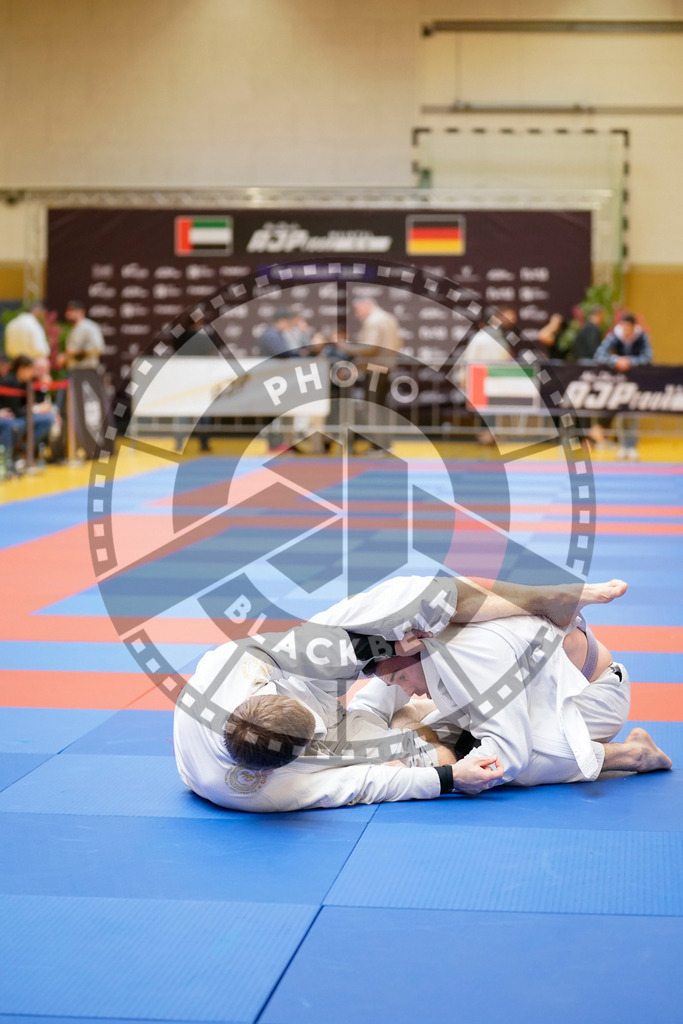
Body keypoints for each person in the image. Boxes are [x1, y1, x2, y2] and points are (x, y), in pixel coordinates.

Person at [172, 574, 668, 812]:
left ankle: (542, 596)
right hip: (319, 744)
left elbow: (303, 645)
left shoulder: (231, 673)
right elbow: (363, 784)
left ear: (256, 694)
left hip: (300, 677)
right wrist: (446, 778)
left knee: (385, 609)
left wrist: (380, 646)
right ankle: (418, 720)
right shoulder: (267, 792)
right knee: (429, 754)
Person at [337, 298, 403, 454]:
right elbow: (398, 343)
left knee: (372, 409)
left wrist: (344, 346)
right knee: (379, 408)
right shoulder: (388, 318)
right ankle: (385, 445)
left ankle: (379, 446)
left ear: (366, 306)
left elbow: (369, 348)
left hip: (375, 370)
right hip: (385, 368)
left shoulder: (374, 320)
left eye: (358, 310)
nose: (357, 314)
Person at [593, 313, 654, 460]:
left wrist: (630, 361)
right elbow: (599, 354)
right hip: (619, 382)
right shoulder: (614, 336)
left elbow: (648, 357)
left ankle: (631, 446)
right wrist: (615, 360)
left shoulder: (642, 337)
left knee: (633, 413)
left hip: (636, 381)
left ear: (633, 327)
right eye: (623, 327)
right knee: (620, 413)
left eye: (628, 327)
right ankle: (623, 446)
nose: (625, 330)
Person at [460, 306, 517, 446]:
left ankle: (487, 436)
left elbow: (468, 359)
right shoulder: (499, 339)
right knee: (492, 409)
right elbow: (506, 358)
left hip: (480, 378)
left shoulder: (480, 337)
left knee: (484, 410)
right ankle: (491, 435)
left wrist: (464, 378)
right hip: (496, 379)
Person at [0, 356, 56, 469]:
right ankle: (5, 460)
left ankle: (25, 450)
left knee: (48, 419)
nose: (31, 372)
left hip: (21, 416)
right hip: (12, 418)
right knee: (14, 425)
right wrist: (35, 409)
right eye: (30, 369)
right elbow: (14, 410)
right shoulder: (7, 381)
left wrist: (43, 386)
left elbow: (34, 400)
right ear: (21, 368)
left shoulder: (25, 382)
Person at [64, 301, 105, 370]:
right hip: (75, 369)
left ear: (81, 312)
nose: (69, 313)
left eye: (73, 310)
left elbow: (98, 347)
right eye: (68, 310)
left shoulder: (89, 326)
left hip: (87, 369)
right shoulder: (73, 329)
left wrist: (77, 352)